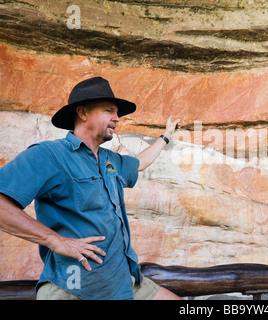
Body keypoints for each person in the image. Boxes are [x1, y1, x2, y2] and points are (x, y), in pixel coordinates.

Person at [0, 77, 182, 300]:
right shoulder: (50, 154)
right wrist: (55, 240)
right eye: (109, 110)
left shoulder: (110, 160)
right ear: (83, 113)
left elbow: (140, 163)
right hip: (74, 289)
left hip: (122, 283)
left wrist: (166, 136)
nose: (117, 118)